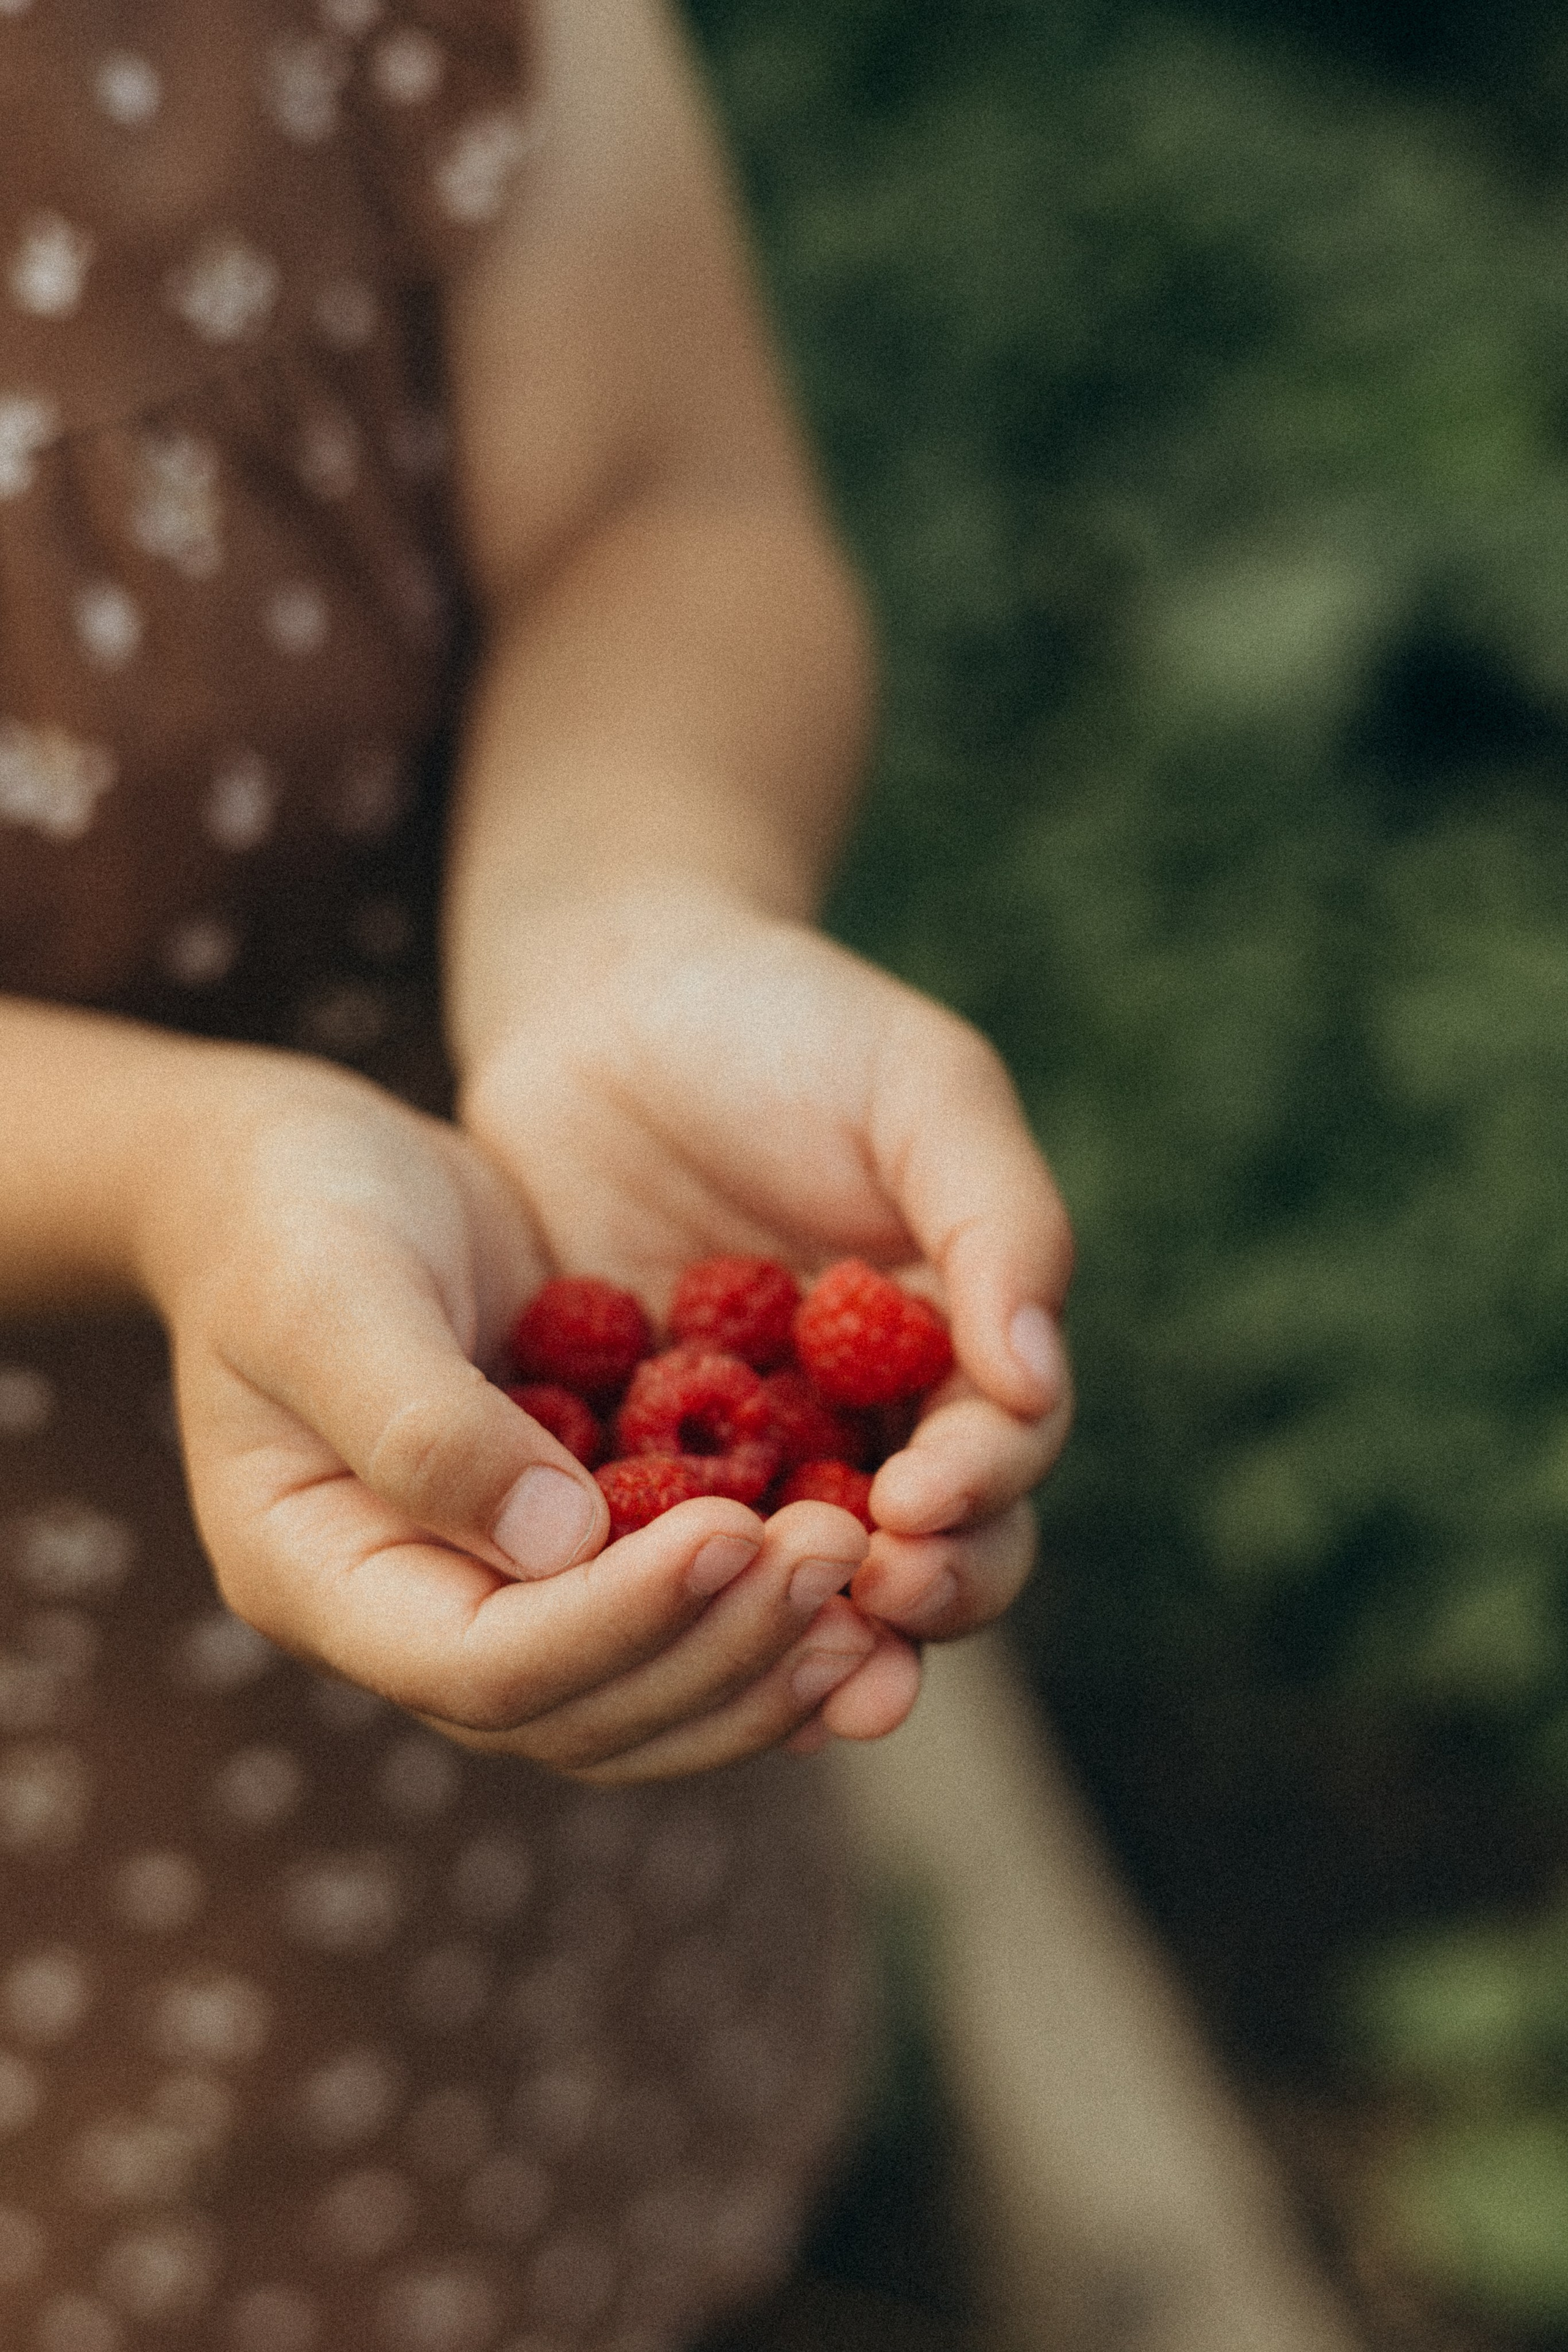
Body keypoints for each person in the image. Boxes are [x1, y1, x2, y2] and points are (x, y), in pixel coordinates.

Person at [0, 0, 1074, 2343]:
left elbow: (660, 508)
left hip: (486, 1383)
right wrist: (174, 1171)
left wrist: (622, 912)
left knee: (543, 2128)